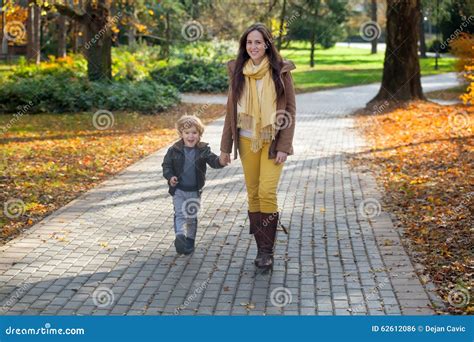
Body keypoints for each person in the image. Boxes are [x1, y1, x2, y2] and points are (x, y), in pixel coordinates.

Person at [220, 23, 296, 271]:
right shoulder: (238, 71)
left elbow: (290, 111)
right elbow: (230, 111)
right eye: (249, 42)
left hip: (272, 141)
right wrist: (225, 147)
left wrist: (285, 145)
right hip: (246, 139)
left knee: (266, 191)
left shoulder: (280, 71)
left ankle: (267, 250)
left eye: (258, 42)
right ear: (245, 46)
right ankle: (261, 250)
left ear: (267, 45)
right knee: (253, 193)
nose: (253, 47)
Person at [163, 115, 226, 255]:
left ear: (199, 134)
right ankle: (180, 237)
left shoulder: (203, 150)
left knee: (191, 218)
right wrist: (170, 177)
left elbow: (214, 161)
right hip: (178, 189)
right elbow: (166, 165)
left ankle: (190, 241)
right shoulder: (174, 150)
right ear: (181, 134)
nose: (191, 136)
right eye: (187, 133)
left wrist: (221, 161)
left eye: (194, 133)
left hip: (194, 191)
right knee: (179, 214)